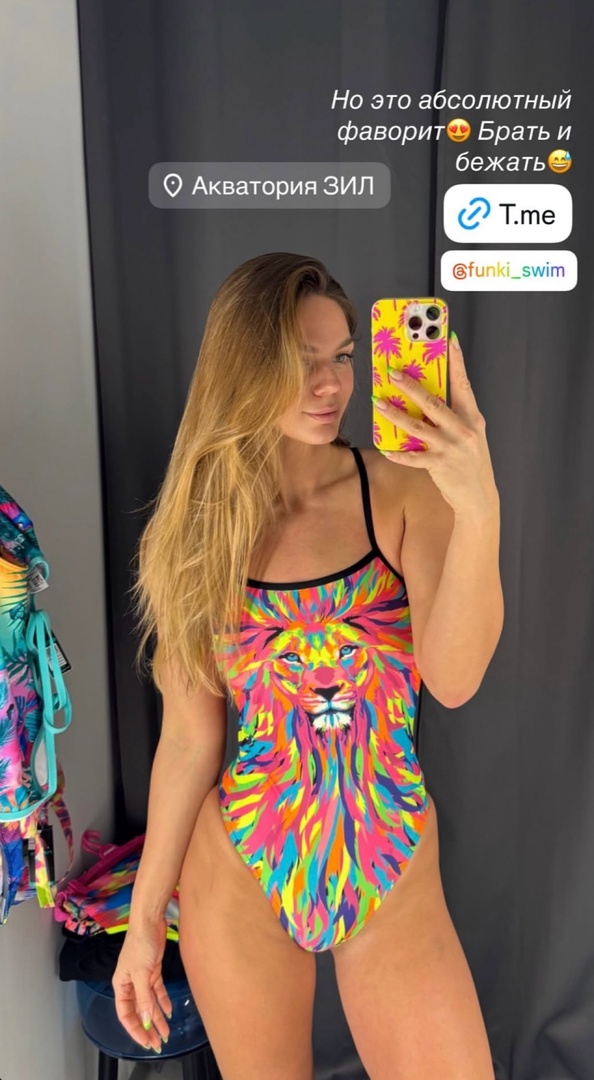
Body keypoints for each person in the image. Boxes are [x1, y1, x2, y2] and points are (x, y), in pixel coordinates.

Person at [112, 252, 503, 1079]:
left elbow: (454, 678)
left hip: (386, 854)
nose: (330, 385)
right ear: (244, 366)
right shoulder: (193, 533)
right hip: (242, 867)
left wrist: (478, 507)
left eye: (343, 357)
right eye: (301, 360)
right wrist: (143, 924)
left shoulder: (401, 493)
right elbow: (187, 741)